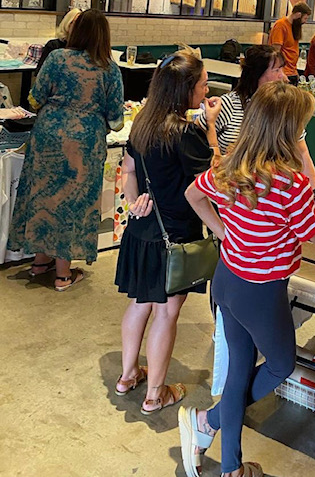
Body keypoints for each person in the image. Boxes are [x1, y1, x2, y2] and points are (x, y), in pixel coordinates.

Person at [178, 82, 315, 477]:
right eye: (301, 126)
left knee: (239, 369)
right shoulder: (290, 183)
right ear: (289, 130)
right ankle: (211, 421)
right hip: (261, 291)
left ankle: (226, 460)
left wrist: (224, 232)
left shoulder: (232, 165)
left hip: (228, 280)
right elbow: (314, 233)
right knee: (281, 364)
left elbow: (192, 196)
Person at [114, 51, 218, 414]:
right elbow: (210, 182)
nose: (206, 93)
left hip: (142, 231)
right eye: (203, 85)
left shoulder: (142, 122)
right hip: (175, 237)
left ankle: (128, 375)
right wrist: (211, 131)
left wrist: (134, 202)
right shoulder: (187, 133)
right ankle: (155, 394)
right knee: (166, 313)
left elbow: (127, 168)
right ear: (185, 89)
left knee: (140, 303)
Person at [8, 9, 123, 290]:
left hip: (48, 135)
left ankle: (38, 263)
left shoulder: (57, 58)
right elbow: (117, 120)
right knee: (74, 204)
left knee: (44, 194)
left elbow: (34, 99)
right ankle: (62, 275)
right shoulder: (109, 68)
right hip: (84, 143)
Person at [206, 44, 315, 191]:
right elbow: (199, 145)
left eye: (282, 69)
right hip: (230, 191)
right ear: (257, 74)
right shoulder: (227, 105)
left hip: (266, 192)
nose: (283, 76)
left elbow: (302, 152)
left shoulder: (282, 108)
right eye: (277, 70)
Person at [268, 2, 312, 85]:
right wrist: (281, 73)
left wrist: (295, 72)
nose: (305, 21)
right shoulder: (281, 25)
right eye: (305, 18)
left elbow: (292, 50)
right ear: (298, 15)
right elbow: (275, 52)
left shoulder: (294, 27)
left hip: (292, 72)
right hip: (284, 73)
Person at [36, 8, 81, 75]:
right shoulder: (54, 46)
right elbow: (40, 73)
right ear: (68, 24)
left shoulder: (84, 47)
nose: (80, 26)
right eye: (76, 22)